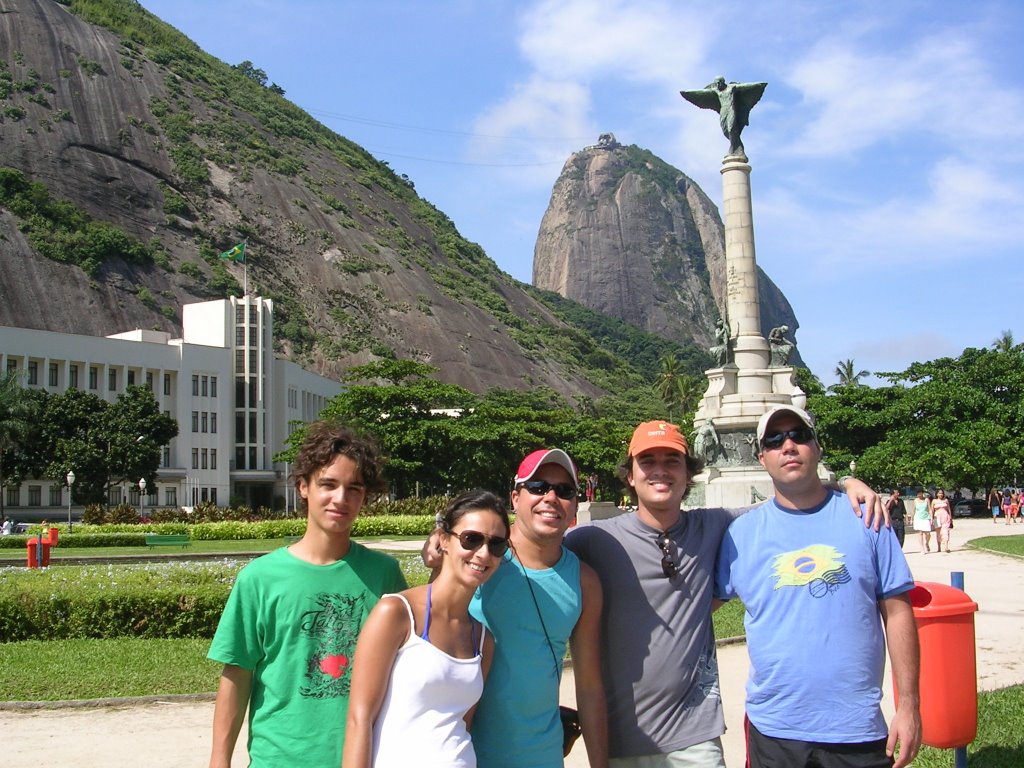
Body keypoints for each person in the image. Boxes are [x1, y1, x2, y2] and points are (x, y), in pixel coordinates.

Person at [563, 419, 886, 766]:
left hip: (695, 737)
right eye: (648, 461)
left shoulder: (715, 526)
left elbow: (787, 498)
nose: (660, 471)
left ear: (689, 475)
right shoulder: (594, 541)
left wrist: (843, 482)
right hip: (622, 737)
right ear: (630, 475)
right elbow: (536, 557)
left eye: (672, 461)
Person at [716, 405, 920, 768]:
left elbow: (898, 612)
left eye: (799, 435)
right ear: (762, 457)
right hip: (774, 731)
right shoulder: (740, 535)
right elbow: (692, 608)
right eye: (775, 440)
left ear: (817, 447)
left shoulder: (868, 519)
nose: (789, 445)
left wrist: (909, 706)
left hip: (856, 730)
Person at [207, 421, 407, 768]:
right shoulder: (259, 579)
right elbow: (237, 674)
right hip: (281, 758)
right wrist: (219, 761)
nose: (340, 499)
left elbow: (413, 663)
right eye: (328, 484)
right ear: (303, 487)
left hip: (364, 757)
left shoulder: (384, 575)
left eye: (354, 488)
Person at [426, 449, 608, 768]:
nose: (550, 497)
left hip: (541, 756)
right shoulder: (478, 558)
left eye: (564, 491)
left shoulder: (584, 581)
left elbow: (590, 685)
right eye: (538, 487)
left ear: (575, 506)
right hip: (461, 754)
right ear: (515, 497)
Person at [344, 490, 510, 767]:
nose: (483, 553)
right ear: (444, 540)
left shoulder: (483, 640)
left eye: (496, 545)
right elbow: (359, 719)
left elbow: (462, 725)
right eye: (471, 539)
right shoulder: (397, 614)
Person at [912, 489, 934, 553]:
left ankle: (927, 543)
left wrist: (931, 518)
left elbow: (929, 509)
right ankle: (922, 548)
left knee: (927, 533)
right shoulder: (915, 500)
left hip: (926, 518)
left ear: (922, 493)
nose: (919, 495)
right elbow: (914, 509)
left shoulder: (926, 500)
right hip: (918, 518)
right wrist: (912, 519)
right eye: (918, 494)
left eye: (920, 493)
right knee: (920, 533)